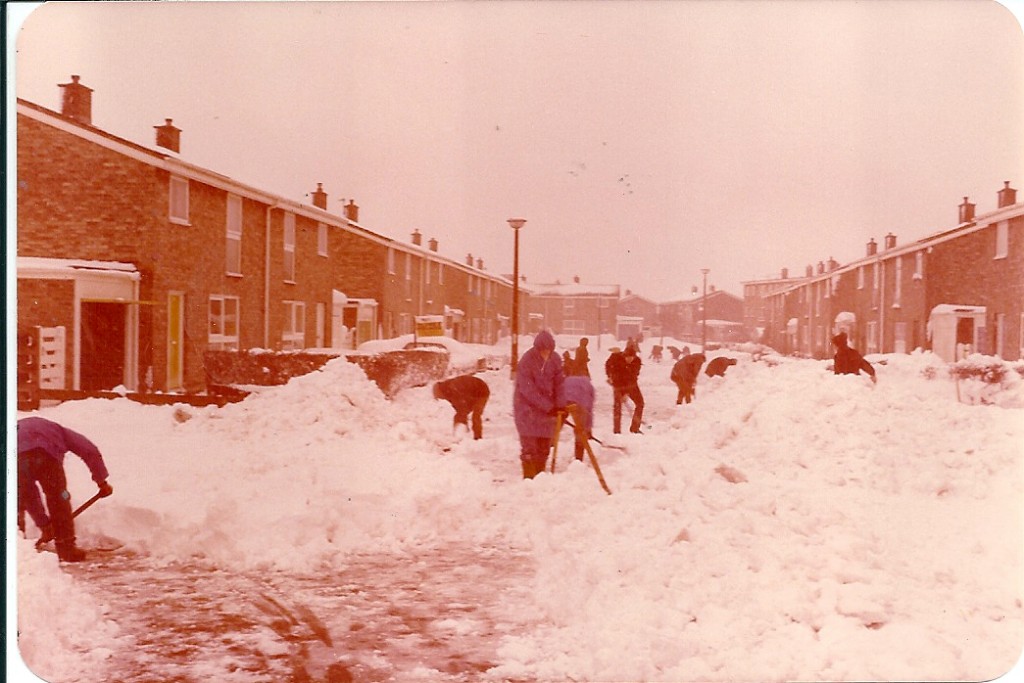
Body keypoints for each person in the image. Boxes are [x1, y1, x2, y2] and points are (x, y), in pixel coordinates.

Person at [18, 416, 114, 562]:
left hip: (17, 458)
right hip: (47, 458)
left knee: (18, 499)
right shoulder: (59, 431)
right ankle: (67, 549)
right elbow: (90, 451)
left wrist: (43, 524)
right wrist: (102, 482)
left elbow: (30, 495)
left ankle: (16, 548)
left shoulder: (14, 429)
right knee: (59, 498)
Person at [513, 330, 566, 479]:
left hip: (546, 414)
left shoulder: (555, 360)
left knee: (544, 448)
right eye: (543, 350)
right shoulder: (527, 361)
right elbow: (527, 389)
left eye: (548, 350)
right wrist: (548, 406)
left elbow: (559, 384)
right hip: (527, 410)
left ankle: (540, 479)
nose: (545, 353)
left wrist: (560, 404)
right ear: (537, 348)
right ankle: (529, 481)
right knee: (530, 449)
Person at [432, 374, 490, 440]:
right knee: (461, 414)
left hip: (481, 391)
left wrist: (462, 416)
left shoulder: (453, 387)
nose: (442, 399)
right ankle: (461, 435)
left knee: (476, 415)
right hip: (471, 393)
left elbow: (461, 406)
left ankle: (478, 438)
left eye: (440, 397)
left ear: (441, 392)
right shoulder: (449, 388)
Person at [605, 340, 644, 434]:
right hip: (618, 385)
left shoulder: (637, 362)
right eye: (627, 357)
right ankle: (617, 431)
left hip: (631, 384)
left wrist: (626, 394)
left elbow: (633, 377)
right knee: (617, 407)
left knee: (640, 403)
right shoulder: (617, 359)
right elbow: (608, 365)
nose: (629, 359)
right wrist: (609, 376)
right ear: (624, 355)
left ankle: (635, 428)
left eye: (631, 357)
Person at [562, 375, 596, 461]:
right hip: (578, 404)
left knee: (556, 422)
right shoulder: (589, 388)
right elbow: (589, 410)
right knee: (580, 431)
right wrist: (588, 430)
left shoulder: (566, 379)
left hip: (563, 399)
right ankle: (578, 458)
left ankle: (549, 444)